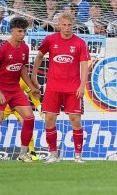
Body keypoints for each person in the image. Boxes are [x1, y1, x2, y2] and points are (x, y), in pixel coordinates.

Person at [0, 17, 40, 163]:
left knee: (29, 118)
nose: (22, 34)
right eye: (19, 31)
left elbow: (22, 68)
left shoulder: (25, 48)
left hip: (15, 89)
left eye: (24, 31)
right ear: (12, 31)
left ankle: (23, 154)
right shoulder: (1, 48)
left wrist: (32, 87)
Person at [31, 13, 90, 163]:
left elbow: (84, 66)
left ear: (73, 25)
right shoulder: (50, 39)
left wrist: (82, 86)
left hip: (73, 88)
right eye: (64, 25)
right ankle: (52, 154)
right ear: (58, 25)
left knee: (75, 119)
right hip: (53, 87)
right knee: (50, 119)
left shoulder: (80, 43)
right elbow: (39, 56)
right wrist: (33, 76)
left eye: (69, 25)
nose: (67, 28)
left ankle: (78, 156)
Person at [0, 78, 42, 161]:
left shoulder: (21, 81)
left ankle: (31, 152)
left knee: (27, 123)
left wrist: (39, 107)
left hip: (17, 106)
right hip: (4, 107)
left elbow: (32, 94)